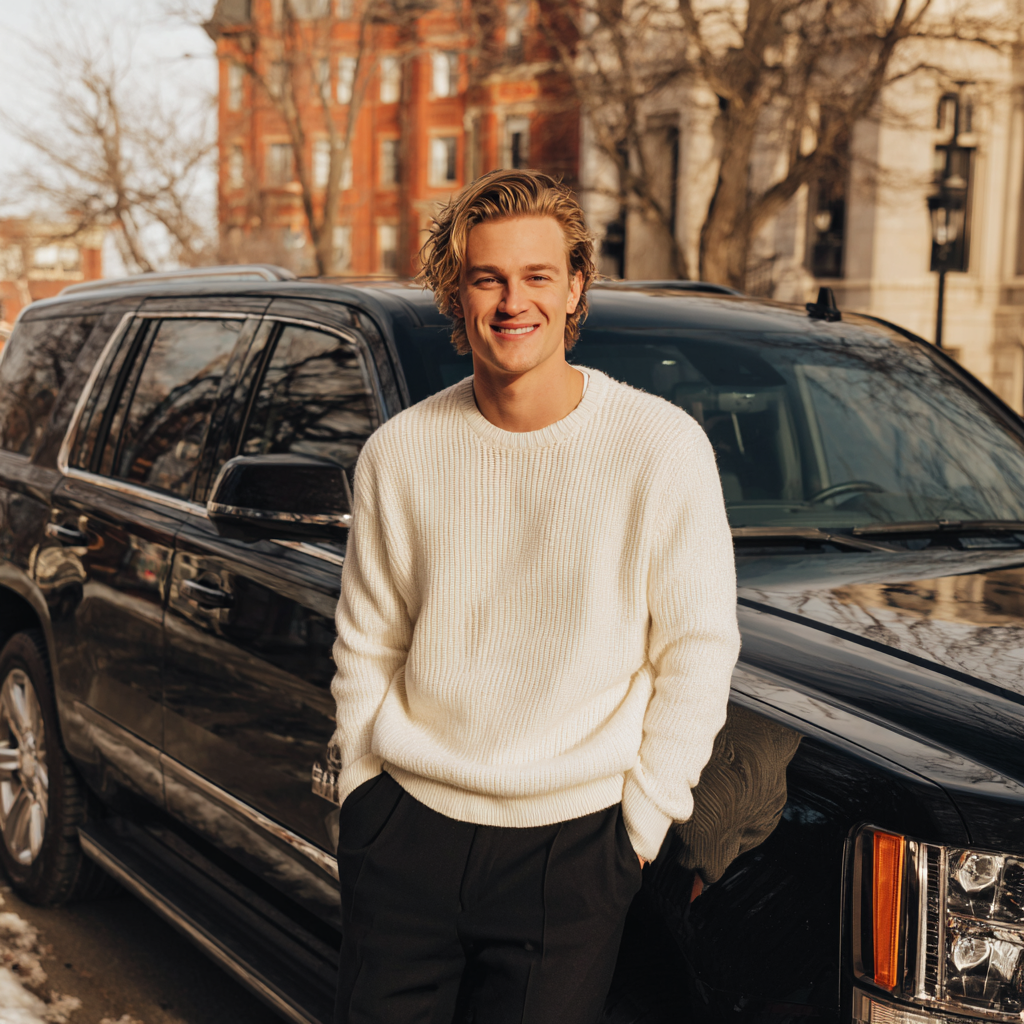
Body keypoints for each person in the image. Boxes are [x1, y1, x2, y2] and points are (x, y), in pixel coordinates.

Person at [330, 168, 740, 1024]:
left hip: (575, 847)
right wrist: (363, 795)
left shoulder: (661, 450)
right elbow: (368, 644)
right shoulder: (399, 455)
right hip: (408, 828)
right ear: (458, 291)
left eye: (537, 276)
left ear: (575, 287)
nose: (513, 301)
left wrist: (638, 828)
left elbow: (697, 652)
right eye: (488, 278)